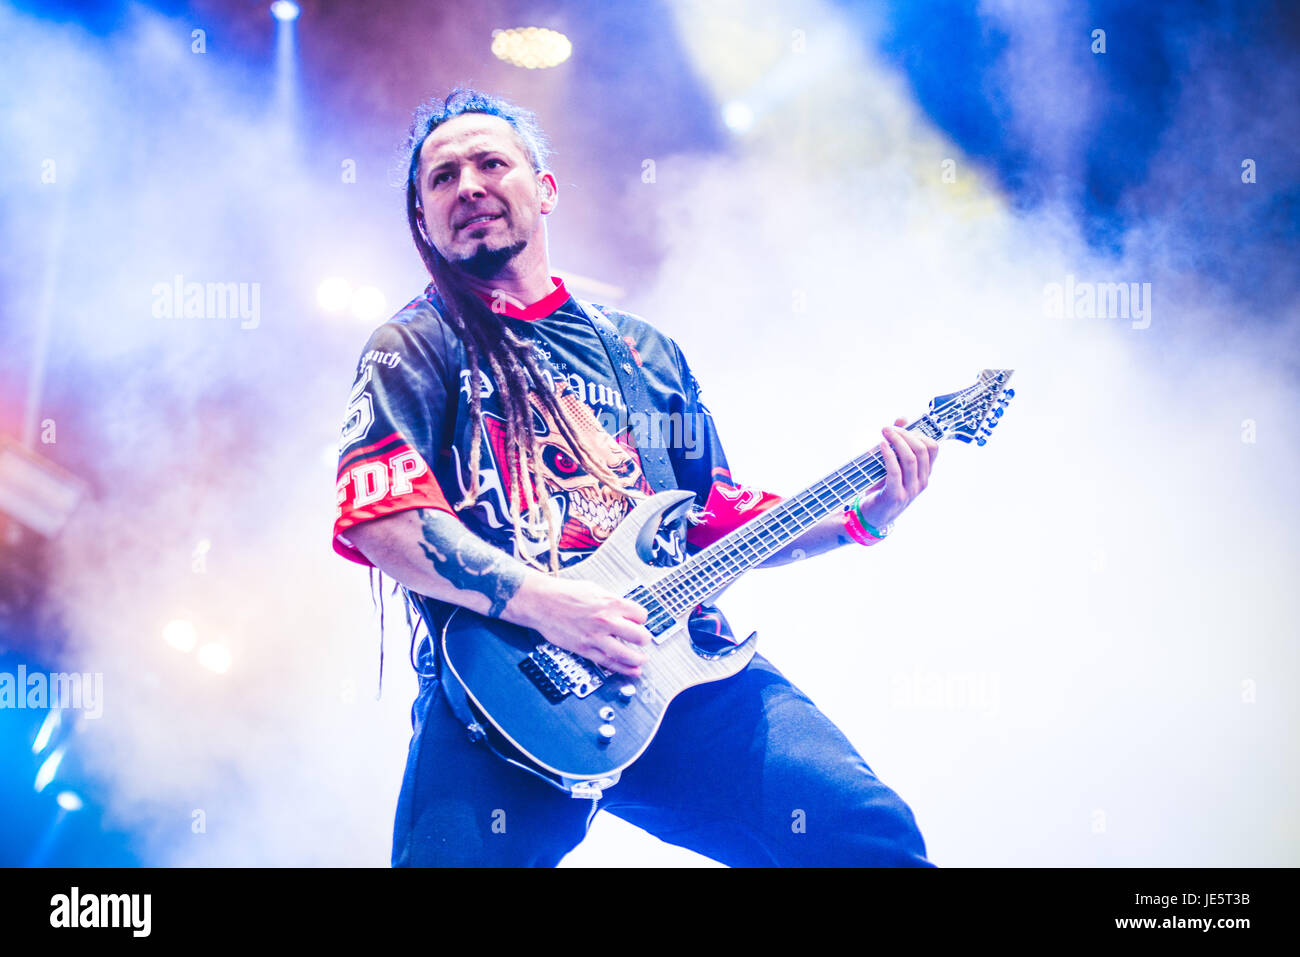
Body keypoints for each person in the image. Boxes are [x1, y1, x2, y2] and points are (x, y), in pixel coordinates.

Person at [332, 89, 940, 867]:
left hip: (680, 675)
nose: (470, 187)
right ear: (423, 216)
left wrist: (863, 517)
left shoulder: (645, 354)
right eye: (442, 178)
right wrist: (552, 606)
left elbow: (717, 514)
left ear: (544, 188)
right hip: (506, 689)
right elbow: (383, 520)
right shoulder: (412, 345)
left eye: (491, 163)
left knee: (865, 831)